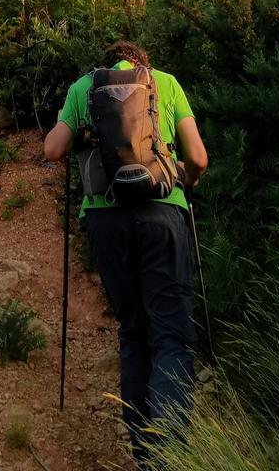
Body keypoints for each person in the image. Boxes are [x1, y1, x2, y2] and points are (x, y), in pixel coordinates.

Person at [43, 40, 208, 465]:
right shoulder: (166, 84)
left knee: (134, 333)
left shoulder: (83, 89)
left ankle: (144, 452)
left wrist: (82, 132)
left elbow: (52, 150)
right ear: (143, 67)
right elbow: (199, 158)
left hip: (106, 221)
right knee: (170, 335)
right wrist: (187, 182)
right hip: (162, 215)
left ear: (107, 67)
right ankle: (168, 456)